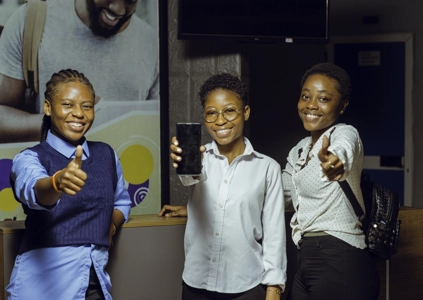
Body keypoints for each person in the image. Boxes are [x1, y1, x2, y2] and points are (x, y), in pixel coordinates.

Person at [158, 73, 287, 300]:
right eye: (211, 113)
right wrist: (184, 163)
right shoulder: (200, 158)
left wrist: (274, 288)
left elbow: (275, 234)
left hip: (245, 284)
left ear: (245, 112)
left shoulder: (268, 168)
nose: (220, 121)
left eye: (229, 110)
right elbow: (190, 178)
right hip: (197, 283)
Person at [6, 69, 131, 299]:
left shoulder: (107, 154)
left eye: (87, 106)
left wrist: (110, 225)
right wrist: (57, 182)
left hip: (95, 286)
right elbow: (34, 191)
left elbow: (122, 202)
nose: (79, 114)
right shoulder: (29, 159)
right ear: (47, 107)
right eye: (68, 104)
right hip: (42, 289)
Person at [282, 62, 380, 299]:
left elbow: (342, 152)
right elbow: (272, 195)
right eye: (306, 96)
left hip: (340, 256)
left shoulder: (345, 133)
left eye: (323, 99)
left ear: (342, 105)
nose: (311, 105)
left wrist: (336, 165)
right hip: (305, 257)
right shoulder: (299, 151)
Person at [0, 0, 159, 143]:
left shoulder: (154, 47)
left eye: (130, 1)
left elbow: (158, 133)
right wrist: (56, 123)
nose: (118, 9)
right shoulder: (31, 20)